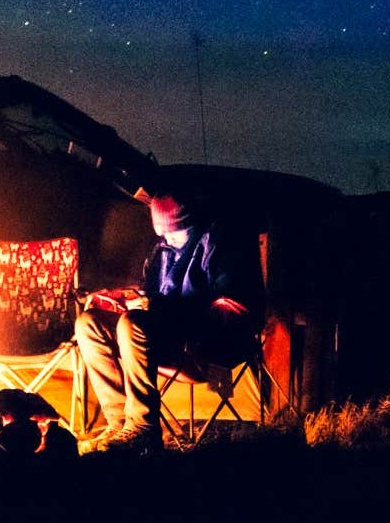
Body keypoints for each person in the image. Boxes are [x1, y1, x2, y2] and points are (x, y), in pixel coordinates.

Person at [73, 189, 263, 452]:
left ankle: (143, 429)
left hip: (205, 345)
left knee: (132, 324)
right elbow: (152, 294)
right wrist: (125, 299)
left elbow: (230, 308)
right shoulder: (164, 249)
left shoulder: (219, 245)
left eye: (174, 232)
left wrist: (161, 307)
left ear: (191, 223)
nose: (167, 238)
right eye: (161, 233)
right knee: (89, 323)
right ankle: (119, 423)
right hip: (161, 338)